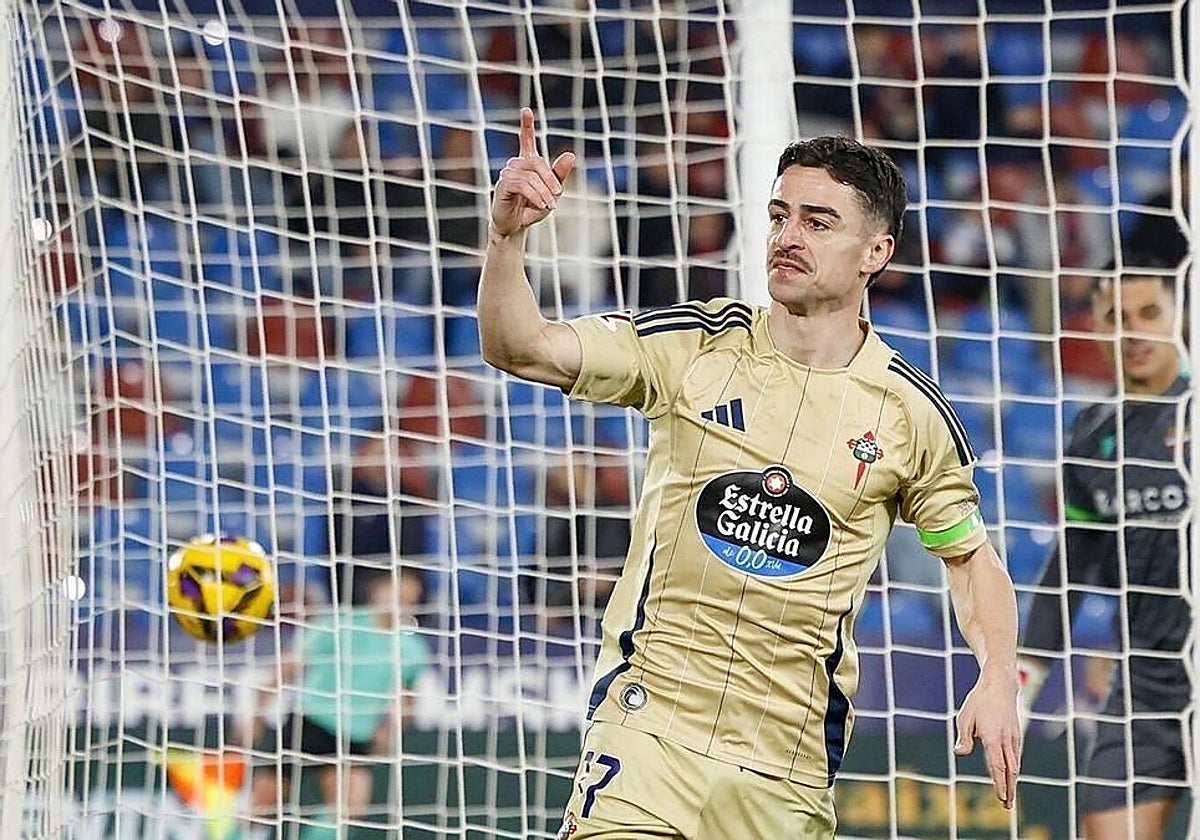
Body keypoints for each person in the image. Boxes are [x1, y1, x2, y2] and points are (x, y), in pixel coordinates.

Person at [479, 107, 1021, 838]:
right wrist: (507, 237)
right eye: (779, 215)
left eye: (819, 222)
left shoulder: (908, 413)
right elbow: (522, 348)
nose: (788, 238)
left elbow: (970, 559)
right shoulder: (695, 346)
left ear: (875, 251)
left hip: (785, 769)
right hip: (649, 735)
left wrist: (996, 676)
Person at [1018, 271, 1191, 840]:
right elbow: (1070, 567)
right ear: (1095, 327)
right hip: (1143, 682)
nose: (1134, 332)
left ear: (1178, 317)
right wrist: (1022, 683)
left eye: (1148, 314)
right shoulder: (1093, 435)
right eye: (1117, 318)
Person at [247, 567, 429, 838]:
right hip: (311, 722)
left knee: (349, 810)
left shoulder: (412, 648)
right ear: (377, 592)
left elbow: (406, 700)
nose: (402, 603)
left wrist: (389, 733)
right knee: (261, 807)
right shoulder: (341, 623)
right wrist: (258, 712)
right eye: (397, 594)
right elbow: (291, 666)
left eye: (410, 598)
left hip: (355, 735)